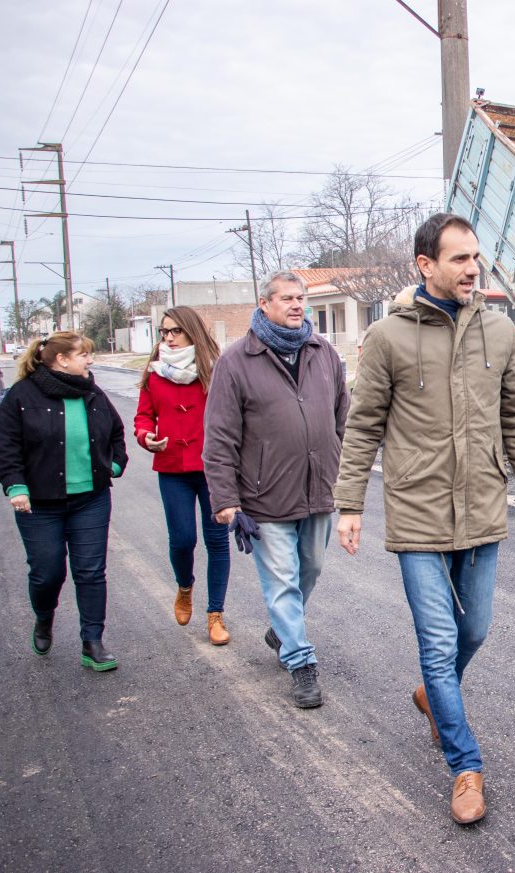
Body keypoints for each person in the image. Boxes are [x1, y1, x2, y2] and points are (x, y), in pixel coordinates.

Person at [334, 212, 515, 825]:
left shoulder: (499, 331)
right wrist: (350, 503)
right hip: (418, 511)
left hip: (481, 504)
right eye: (459, 258)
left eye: (475, 257)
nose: (472, 268)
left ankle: (435, 695)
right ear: (424, 266)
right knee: (438, 640)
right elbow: (364, 427)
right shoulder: (387, 338)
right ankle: (466, 765)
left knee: (474, 630)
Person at [203, 271, 348, 708]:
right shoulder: (235, 361)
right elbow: (219, 437)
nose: (297, 305)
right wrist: (226, 500)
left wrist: (336, 459)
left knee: (312, 569)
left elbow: (343, 414)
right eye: (286, 298)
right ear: (264, 304)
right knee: (282, 581)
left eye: (301, 298)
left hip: (318, 489)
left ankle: (283, 628)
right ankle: (301, 661)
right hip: (264, 499)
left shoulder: (323, 352)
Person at [0, 331, 128, 671]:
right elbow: (6, 448)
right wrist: (16, 487)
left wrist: (112, 465)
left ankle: (92, 642)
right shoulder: (22, 396)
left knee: (91, 572)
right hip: (39, 505)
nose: (91, 360)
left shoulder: (92, 394)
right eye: (84, 354)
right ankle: (43, 616)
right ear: (62, 359)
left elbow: (116, 433)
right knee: (46, 573)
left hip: (91, 500)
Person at [134, 306, 231, 645]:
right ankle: (185, 586)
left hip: (213, 469)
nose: (169, 338)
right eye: (164, 332)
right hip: (172, 468)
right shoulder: (154, 372)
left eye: (175, 331)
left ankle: (215, 615)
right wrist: (147, 437)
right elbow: (143, 418)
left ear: (192, 332)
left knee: (217, 541)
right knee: (182, 540)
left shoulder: (217, 369)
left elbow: (233, 417)